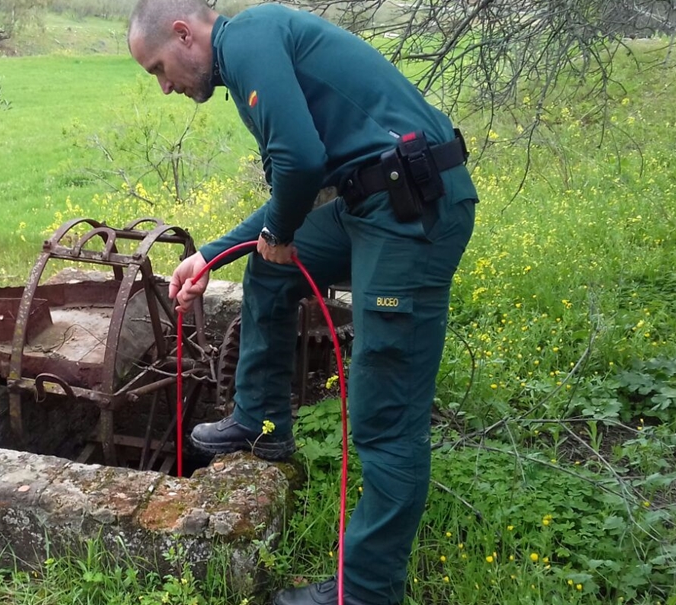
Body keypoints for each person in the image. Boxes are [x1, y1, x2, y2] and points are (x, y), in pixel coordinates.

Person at [128, 1, 478, 603]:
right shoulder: (249, 56)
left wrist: (281, 235)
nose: (164, 87)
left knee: (384, 417)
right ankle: (263, 425)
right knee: (270, 275)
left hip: (412, 211)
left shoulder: (248, 40)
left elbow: (299, 161)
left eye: (159, 67)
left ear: (185, 34)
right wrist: (210, 255)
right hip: (371, 200)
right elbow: (297, 185)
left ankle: (365, 592)